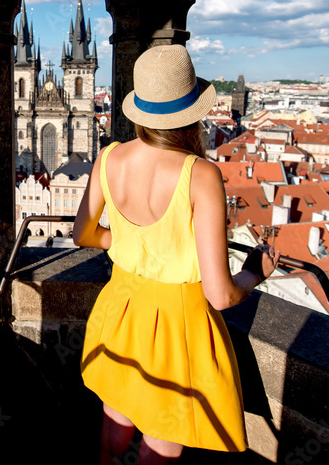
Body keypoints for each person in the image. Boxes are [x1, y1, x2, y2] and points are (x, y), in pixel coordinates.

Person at [74, 44, 279, 464]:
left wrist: (131, 244)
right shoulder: (200, 174)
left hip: (121, 312)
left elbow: (83, 234)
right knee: (160, 445)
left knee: (113, 429)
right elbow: (220, 296)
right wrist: (256, 273)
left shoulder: (109, 156)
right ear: (192, 112)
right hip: (175, 330)